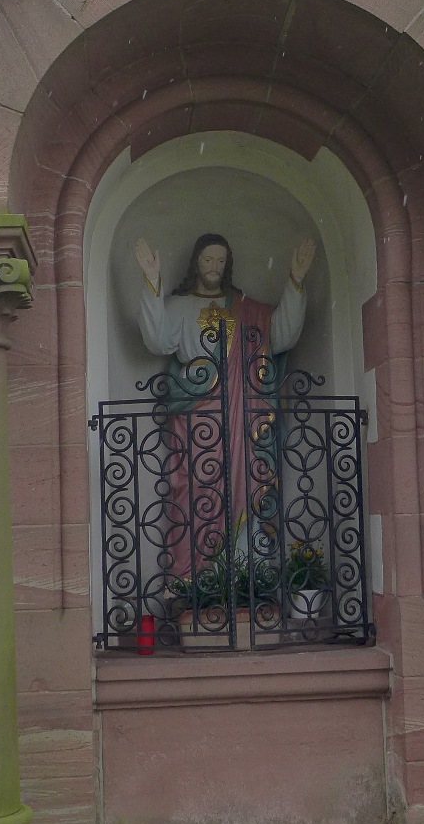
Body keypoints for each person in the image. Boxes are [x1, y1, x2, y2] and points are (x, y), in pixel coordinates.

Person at [134, 231, 315, 585]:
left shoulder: (248, 309)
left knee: (246, 484)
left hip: (243, 416)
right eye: (207, 259)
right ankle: (194, 579)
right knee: (195, 489)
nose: (214, 266)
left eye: (220, 260)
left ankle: (246, 577)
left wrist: (295, 281)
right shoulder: (180, 306)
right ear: (196, 263)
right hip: (195, 417)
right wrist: (152, 281)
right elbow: (157, 340)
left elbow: (283, 335)